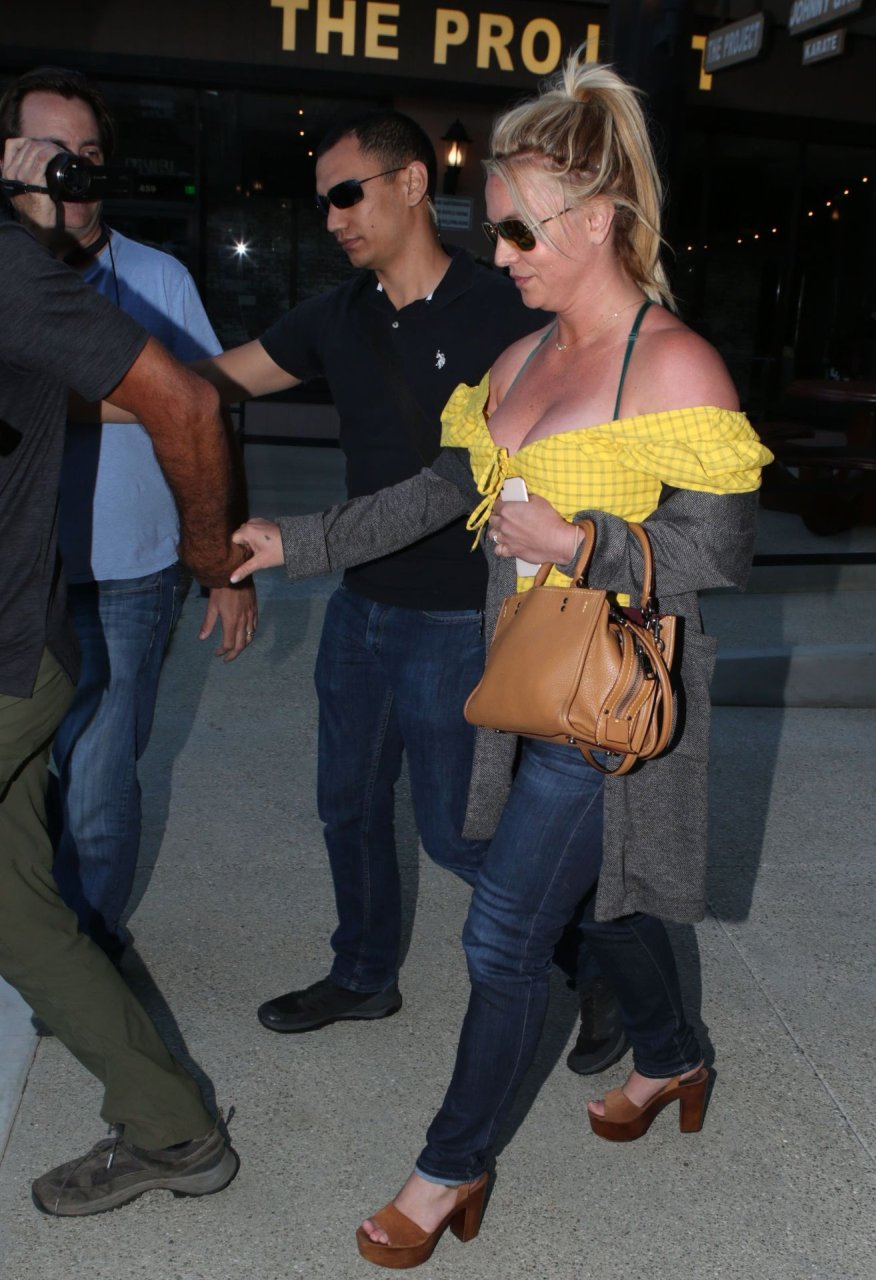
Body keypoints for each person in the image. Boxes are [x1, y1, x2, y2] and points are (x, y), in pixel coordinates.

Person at [230, 55, 774, 1268]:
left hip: (604, 699)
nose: (502, 251)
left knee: (502, 933)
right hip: (513, 680)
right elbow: (436, 491)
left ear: (598, 220)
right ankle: (672, 1052)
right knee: (596, 897)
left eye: (522, 228)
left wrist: (584, 542)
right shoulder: (521, 359)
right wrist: (296, 540)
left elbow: (722, 551)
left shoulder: (672, 365)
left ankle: (450, 1167)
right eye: (494, 227)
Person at [191, 109, 580, 1042]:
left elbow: (468, 476)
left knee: (457, 834)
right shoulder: (337, 317)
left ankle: (594, 956)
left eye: (345, 194)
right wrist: (72, 391)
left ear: (411, 184)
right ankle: (364, 974)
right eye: (323, 203)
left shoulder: (507, 306)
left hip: (459, 619)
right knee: (349, 807)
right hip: (360, 609)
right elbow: (204, 385)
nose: (332, 219)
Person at [0, 141, 243, 1214]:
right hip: (27, 643)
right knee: (20, 918)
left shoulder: (12, 267)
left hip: (8, 656)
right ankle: (173, 1128)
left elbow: (185, 402)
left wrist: (212, 560)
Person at [0, 68, 257, 963]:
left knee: (99, 789)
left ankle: (89, 949)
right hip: (15, 580)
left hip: (126, 577)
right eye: (48, 153)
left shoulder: (156, 276)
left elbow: (207, 413)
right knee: (23, 778)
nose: (70, 173)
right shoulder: (9, 269)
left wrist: (224, 566)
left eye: (87, 155)